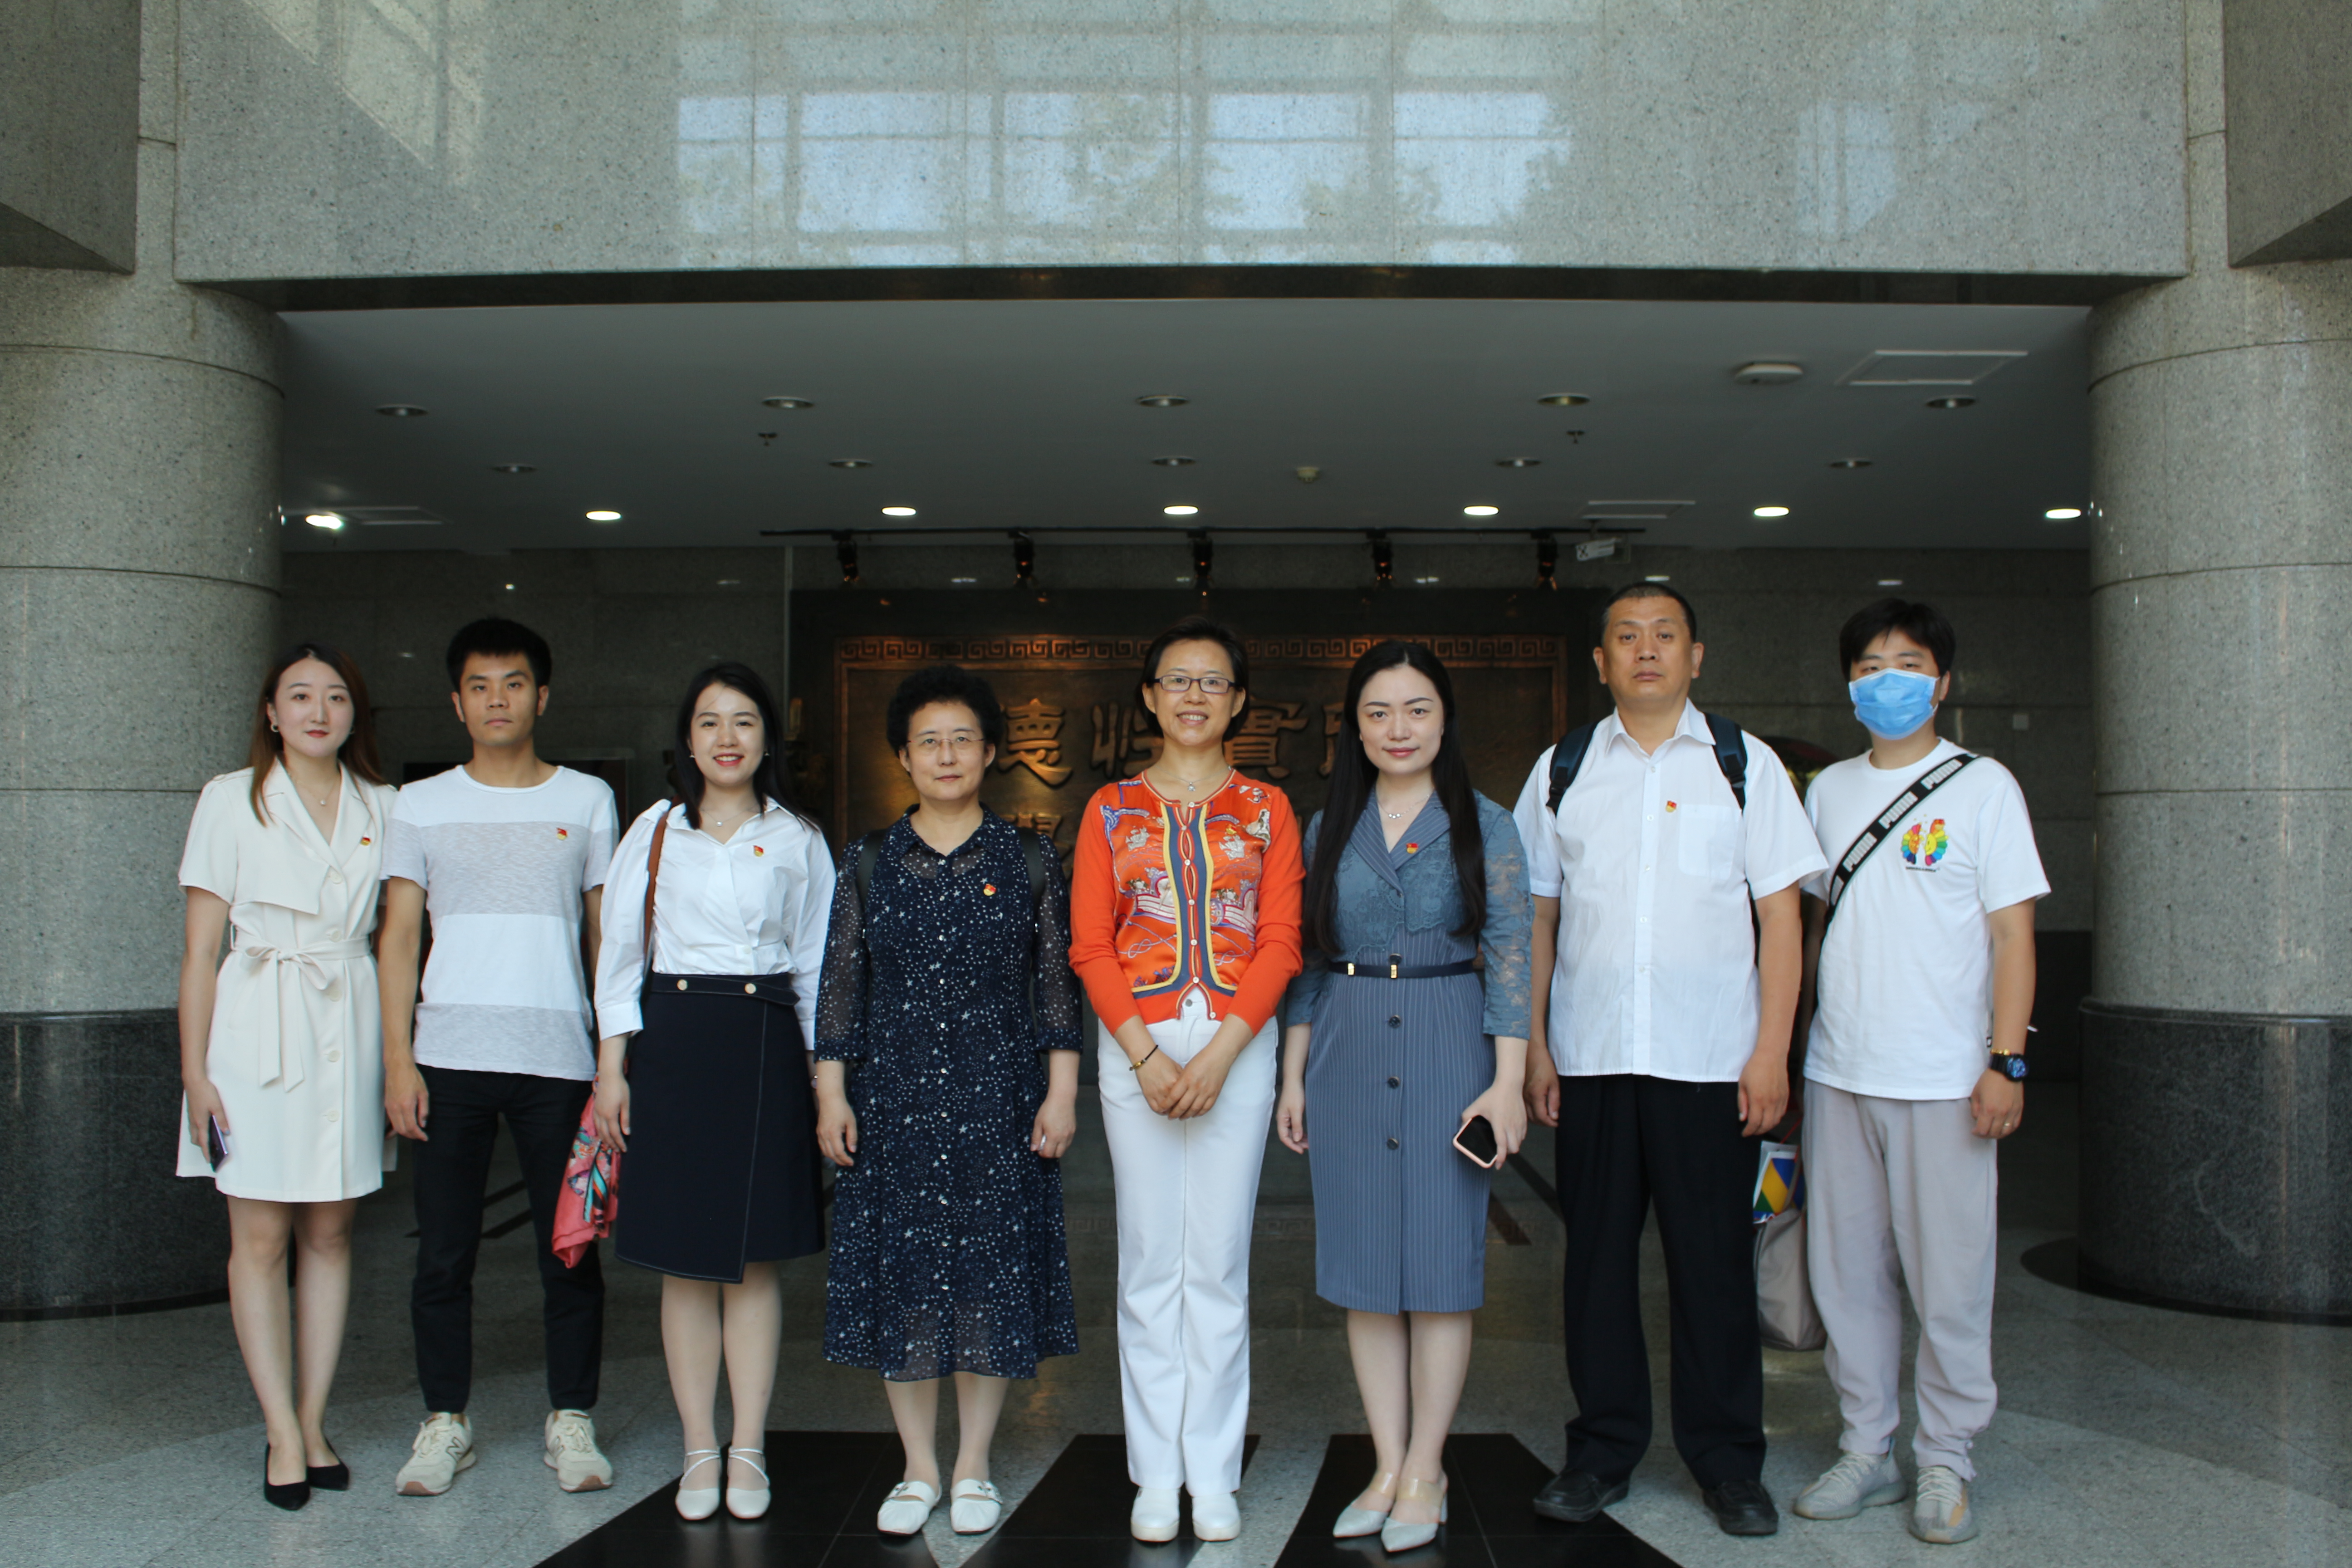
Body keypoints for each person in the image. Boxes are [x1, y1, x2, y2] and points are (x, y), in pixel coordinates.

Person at [1513, 582, 1828, 1539]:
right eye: (1626, 636)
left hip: (1712, 1063)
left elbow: (1782, 920)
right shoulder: (1564, 768)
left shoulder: (1746, 764)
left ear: (1696, 656)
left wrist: (1772, 1052)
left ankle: (1729, 1464)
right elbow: (1536, 917)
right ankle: (1602, 1453)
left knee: (1714, 1270)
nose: (1645, 650)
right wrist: (1535, 1045)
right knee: (1596, 1269)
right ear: (1600, 662)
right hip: (1595, 1061)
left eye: (1664, 635)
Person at [1790, 599, 2045, 1546]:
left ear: (1941, 683)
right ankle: (1868, 1446)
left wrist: (2006, 1060)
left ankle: (1947, 1457)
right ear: (1849, 684)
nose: (1886, 680)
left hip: (1945, 1077)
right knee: (1846, 1274)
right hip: (1840, 1072)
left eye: (1907, 664)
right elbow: (1814, 928)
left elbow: (2013, 936)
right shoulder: (1829, 791)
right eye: (1868, 666)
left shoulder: (1985, 788)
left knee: (1951, 1281)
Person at [814, 664, 1082, 1540]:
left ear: (991, 751)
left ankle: (972, 1466)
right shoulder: (869, 861)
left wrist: (1062, 1092)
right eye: (928, 741)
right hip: (893, 1101)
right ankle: (918, 1468)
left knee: (988, 1282)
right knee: (907, 1283)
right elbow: (841, 988)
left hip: (999, 1098)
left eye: (963, 738)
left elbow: (1057, 990)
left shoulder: (1028, 858)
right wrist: (831, 1093)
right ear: (903, 756)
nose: (947, 755)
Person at [1275, 641, 1533, 1552]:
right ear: (1354, 726)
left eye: (1417, 709)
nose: (1399, 728)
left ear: (1444, 719)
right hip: (1346, 1046)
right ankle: (1386, 1465)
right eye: (1379, 711)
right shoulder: (1327, 828)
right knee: (1365, 1275)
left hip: (1447, 1041)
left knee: (1439, 1270)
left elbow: (1511, 957)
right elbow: (1309, 960)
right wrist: (1293, 1076)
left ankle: (1428, 1468)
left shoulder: (1487, 825)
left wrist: (1507, 1084)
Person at [1069, 615, 1303, 1544]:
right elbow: (1092, 945)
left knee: (1216, 1264)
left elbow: (1281, 942)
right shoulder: (1110, 809)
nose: (1194, 696)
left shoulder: (1269, 809)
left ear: (1239, 701)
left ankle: (1212, 1472)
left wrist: (1216, 1056)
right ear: (1150, 697)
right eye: (1177, 680)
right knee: (1147, 1263)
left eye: (1212, 682)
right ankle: (1155, 1474)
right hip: (1137, 1042)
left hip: (1235, 1047)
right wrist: (1148, 1055)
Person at [378, 618, 620, 1498]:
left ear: (541, 696)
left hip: (559, 1060)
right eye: (479, 686)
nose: (497, 700)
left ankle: (572, 1417)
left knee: (570, 1251)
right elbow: (398, 937)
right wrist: (398, 1061)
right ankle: (446, 1419)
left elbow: (606, 938)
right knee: (444, 1254)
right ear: (456, 702)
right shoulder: (420, 804)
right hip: (448, 1057)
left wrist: (613, 1059)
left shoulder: (587, 799)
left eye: (514, 683)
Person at [590, 662, 836, 1521]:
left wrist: (826, 1082)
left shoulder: (800, 838)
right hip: (674, 1043)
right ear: (687, 740)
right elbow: (619, 959)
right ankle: (699, 1447)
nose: (726, 738)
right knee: (686, 1262)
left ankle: (750, 1447)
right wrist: (612, 1069)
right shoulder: (654, 832)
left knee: (754, 1258)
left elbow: (817, 970)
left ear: (768, 739)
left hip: (766, 1043)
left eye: (743, 722)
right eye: (709, 722)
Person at [176, 642, 397, 1510]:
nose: (318, 711)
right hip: (255, 1029)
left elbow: (398, 937)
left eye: (336, 696)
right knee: (261, 1238)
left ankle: (313, 1420)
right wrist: (196, 1076)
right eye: (300, 696)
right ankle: (278, 1428)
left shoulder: (385, 804)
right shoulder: (230, 799)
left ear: (354, 714)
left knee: (332, 1233)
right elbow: (200, 952)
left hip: (348, 1017)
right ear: (271, 712)